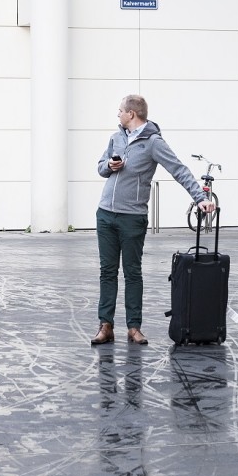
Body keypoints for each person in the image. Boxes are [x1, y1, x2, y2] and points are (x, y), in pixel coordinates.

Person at [90, 95, 217, 346]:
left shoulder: (153, 143)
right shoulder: (116, 138)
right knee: (107, 271)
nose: (118, 115)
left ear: (132, 114)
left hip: (132, 217)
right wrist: (109, 166)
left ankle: (134, 327)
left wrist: (199, 197)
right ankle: (106, 325)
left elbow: (178, 169)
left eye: (120, 111)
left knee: (132, 272)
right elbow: (101, 167)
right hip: (105, 214)